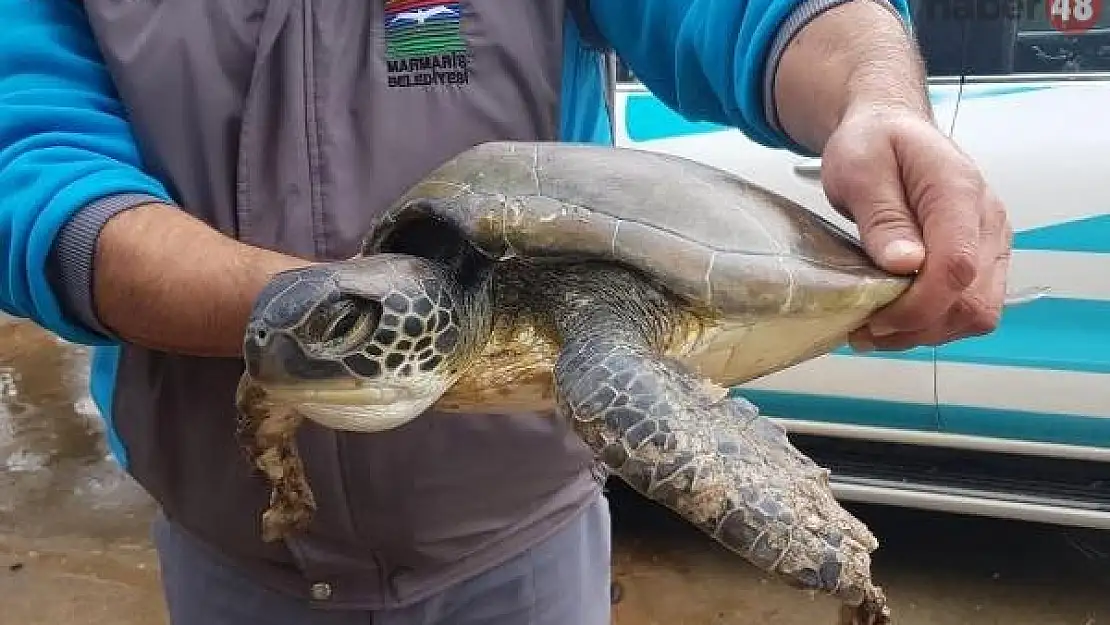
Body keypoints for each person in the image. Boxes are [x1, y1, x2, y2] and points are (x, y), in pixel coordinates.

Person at [0, 0, 1011, 623]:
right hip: (227, 562)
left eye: (340, 331)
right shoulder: (295, 343)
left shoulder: (587, 339)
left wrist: (873, 90)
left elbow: (756, 8)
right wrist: (281, 317)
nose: (290, 350)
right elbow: (30, 162)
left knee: (611, 380)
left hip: (521, 554)